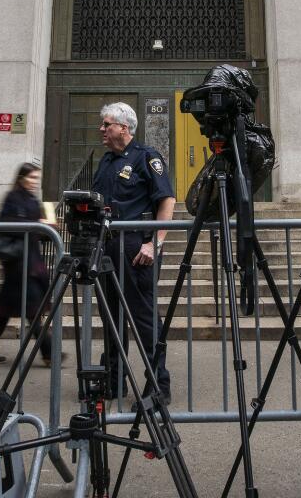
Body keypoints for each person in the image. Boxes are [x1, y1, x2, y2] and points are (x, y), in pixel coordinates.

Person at [92, 102, 174, 399]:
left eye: (106, 124)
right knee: (110, 317)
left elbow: (167, 201)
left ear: (123, 128)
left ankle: (158, 385)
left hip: (136, 247)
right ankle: (113, 381)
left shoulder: (146, 158)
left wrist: (156, 243)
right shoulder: (105, 162)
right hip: (106, 245)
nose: (101, 129)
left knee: (143, 318)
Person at [0, 163, 55, 365]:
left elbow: (34, 229)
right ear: (21, 177)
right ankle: (49, 353)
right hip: (19, 264)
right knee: (33, 311)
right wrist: (38, 226)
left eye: (36, 178)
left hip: (30, 262)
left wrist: (48, 230)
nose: (33, 182)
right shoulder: (13, 197)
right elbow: (8, 224)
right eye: (30, 178)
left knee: (2, 311)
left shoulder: (31, 199)